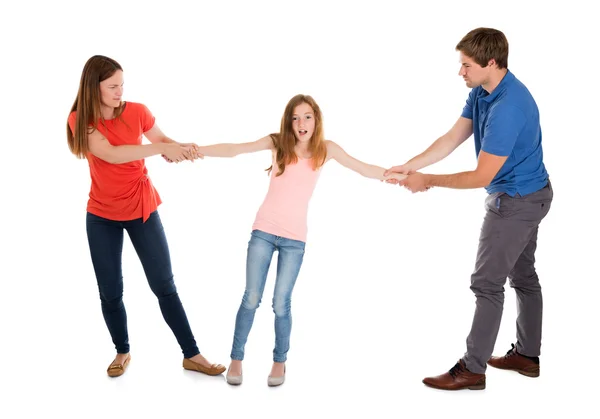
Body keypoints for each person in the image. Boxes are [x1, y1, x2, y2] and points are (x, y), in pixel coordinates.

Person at [194, 94, 406, 386]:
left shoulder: (325, 150)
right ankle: (236, 359)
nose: (300, 123)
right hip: (264, 232)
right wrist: (196, 149)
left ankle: (279, 362)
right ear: (288, 122)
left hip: (295, 240)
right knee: (251, 298)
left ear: (316, 119)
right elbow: (235, 149)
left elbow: (362, 168)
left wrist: (394, 174)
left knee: (281, 303)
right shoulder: (278, 142)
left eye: (306, 116)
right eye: (295, 117)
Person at [385, 28, 553, 390]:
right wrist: (409, 166)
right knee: (523, 277)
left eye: (466, 65)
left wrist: (427, 181)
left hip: (516, 201)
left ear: (491, 62)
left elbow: (481, 175)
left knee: (486, 284)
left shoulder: (509, 107)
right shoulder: (482, 92)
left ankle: (472, 369)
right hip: (531, 194)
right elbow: (451, 138)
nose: (460, 72)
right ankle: (527, 355)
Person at [66, 55, 225, 378]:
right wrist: (157, 150)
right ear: (92, 87)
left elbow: (161, 141)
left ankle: (192, 354)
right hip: (102, 215)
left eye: (122, 85)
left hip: (141, 208)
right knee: (110, 290)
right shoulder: (79, 119)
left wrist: (178, 148)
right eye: (112, 86)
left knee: (164, 285)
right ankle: (122, 351)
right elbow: (111, 153)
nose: (119, 91)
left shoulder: (137, 111)